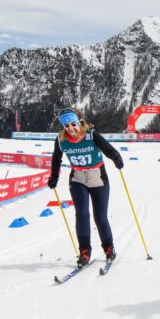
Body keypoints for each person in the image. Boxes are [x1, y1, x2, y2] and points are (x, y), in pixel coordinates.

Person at [47, 108, 124, 267]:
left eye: (73, 124)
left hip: (98, 179)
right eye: (66, 126)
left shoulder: (91, 135)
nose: (70, 129)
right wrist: (54, 177)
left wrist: (116, 158)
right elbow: (56, 159)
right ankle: (84, 251)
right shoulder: (61, 141)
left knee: (100, 217)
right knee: (81, 215)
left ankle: (109, 248)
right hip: (78, 179)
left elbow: (108, 149)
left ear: (79, 122)